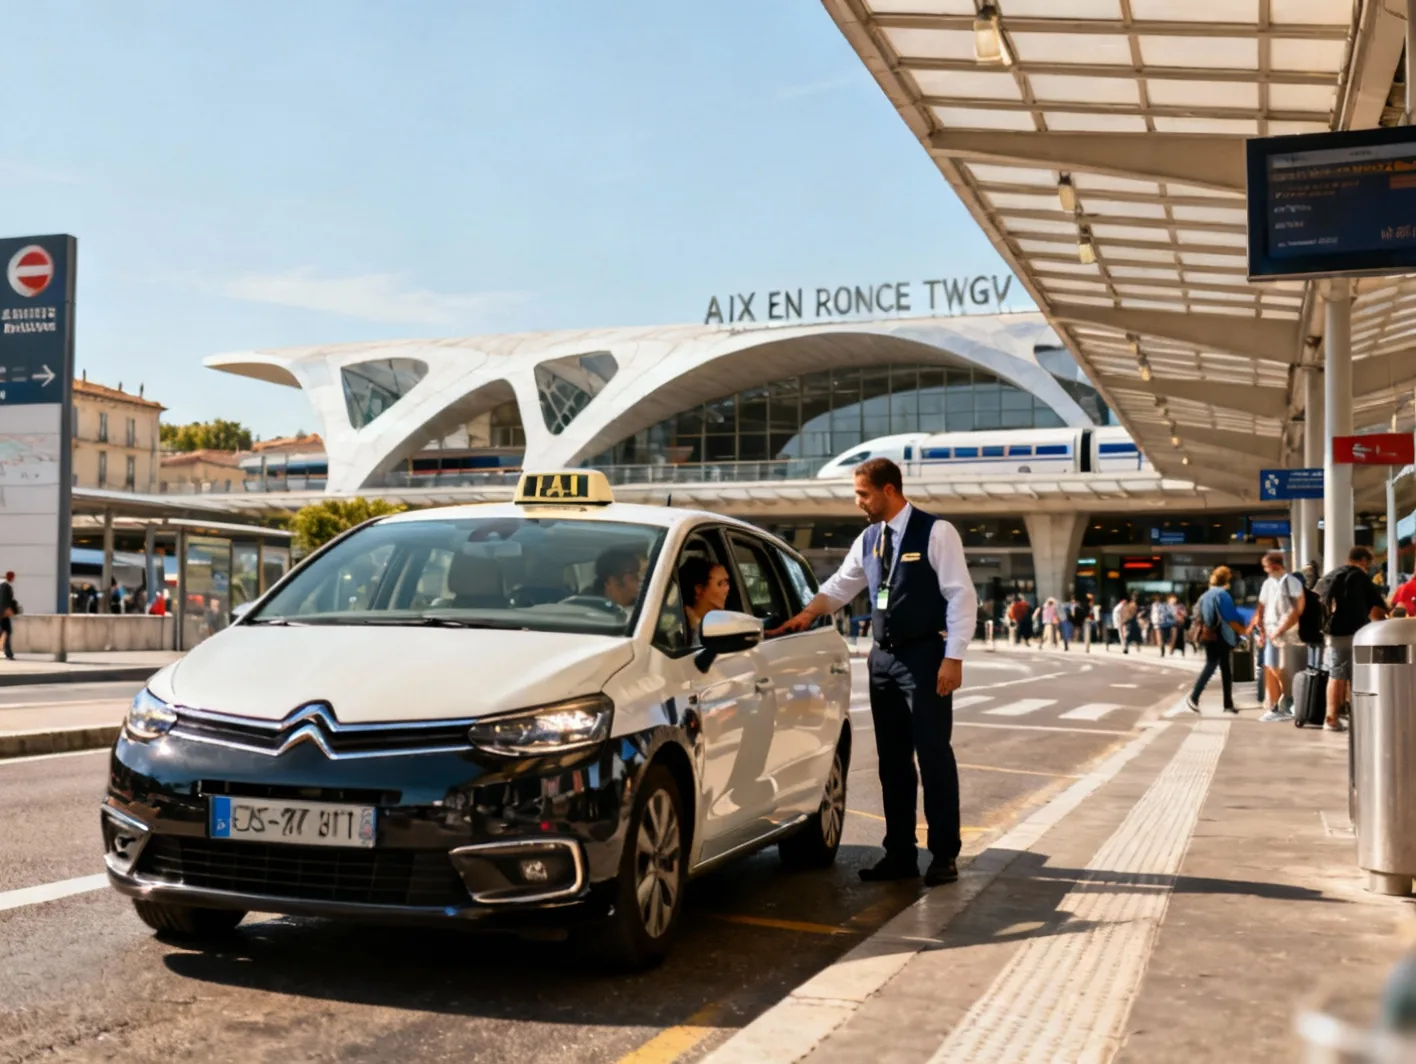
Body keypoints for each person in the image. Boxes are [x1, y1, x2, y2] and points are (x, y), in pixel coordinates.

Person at [772, 457, 976, 888]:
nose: (858, 502)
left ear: (888, 490)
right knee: (893, 763)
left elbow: (960, 595)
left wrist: (953, 657)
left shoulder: (936, 531)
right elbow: (841, 586)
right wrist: (806, 615)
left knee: (934, 755)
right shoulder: (868, 539)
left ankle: (943, 854)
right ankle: (899, 853)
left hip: (924, 657)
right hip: (882, 660)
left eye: (863, 493)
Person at [1317, 546, 1388, 733]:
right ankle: (1356, 716)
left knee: (1336, 674)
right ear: (1363, 560)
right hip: (1357, 633)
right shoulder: (1360, 577)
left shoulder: (1332, 575)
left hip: (1332, 632)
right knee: (1357, 675)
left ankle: (1332, 717)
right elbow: (1377, 610)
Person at [1249, 550, 1306, 723]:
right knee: (1271, 668)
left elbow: (1297, 608)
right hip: (1272, 632)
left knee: (1283, 669)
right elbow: (1262, 605)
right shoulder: (1268, 584)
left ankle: (1287, 701)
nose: (1265, 570)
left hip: (1287, 633)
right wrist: (1261, 629)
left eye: (1266, 566)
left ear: (1275, 565)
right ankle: (1276, 705)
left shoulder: (1292, 582)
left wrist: (1281, 629)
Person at [1185, 566, 1247, 713]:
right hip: (1221, 636)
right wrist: (1243, 632)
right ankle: (1200, 698)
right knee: (1221, 669)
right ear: (1226, 579)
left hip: (1208, 635)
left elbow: (1196, 614)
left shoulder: (1205, 595)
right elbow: (1231, 617)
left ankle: (1204, 699)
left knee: (1216, 667)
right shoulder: (1222, 595)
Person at [679, 556, 730, 635]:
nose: (727, 589)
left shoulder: (722, 624)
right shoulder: (680, 629)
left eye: (727, 583)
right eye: (720, 583)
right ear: (699, 590)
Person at [592, 547, 645, 611]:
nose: (640, 579)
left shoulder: (643, 610)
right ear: (611, 581)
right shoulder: (591, 611)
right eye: (633, 574)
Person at [0, 571, 15, 661]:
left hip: (3, 613)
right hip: (3, 614)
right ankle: (8, 653)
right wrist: (7, 611)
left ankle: (8, 653)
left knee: (5, 631)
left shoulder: (3, 585)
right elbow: (4, 600)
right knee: (7, 631)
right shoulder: (5, 586)